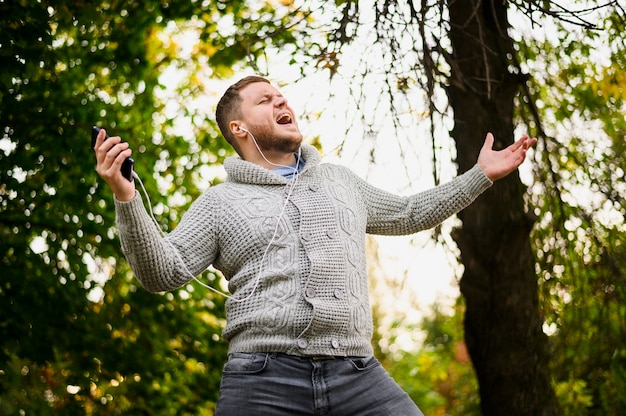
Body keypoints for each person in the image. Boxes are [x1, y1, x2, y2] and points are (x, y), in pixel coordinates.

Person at [94, 75, 536, 415]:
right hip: (262, 378)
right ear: (239, 127)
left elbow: (407, 213)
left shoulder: (338, 181)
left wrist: (480, 175)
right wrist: (126, 197)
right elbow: (161, 273)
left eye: (281, 95)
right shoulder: (219, 203)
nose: (281, 101)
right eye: (265, 101)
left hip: (358, 373)